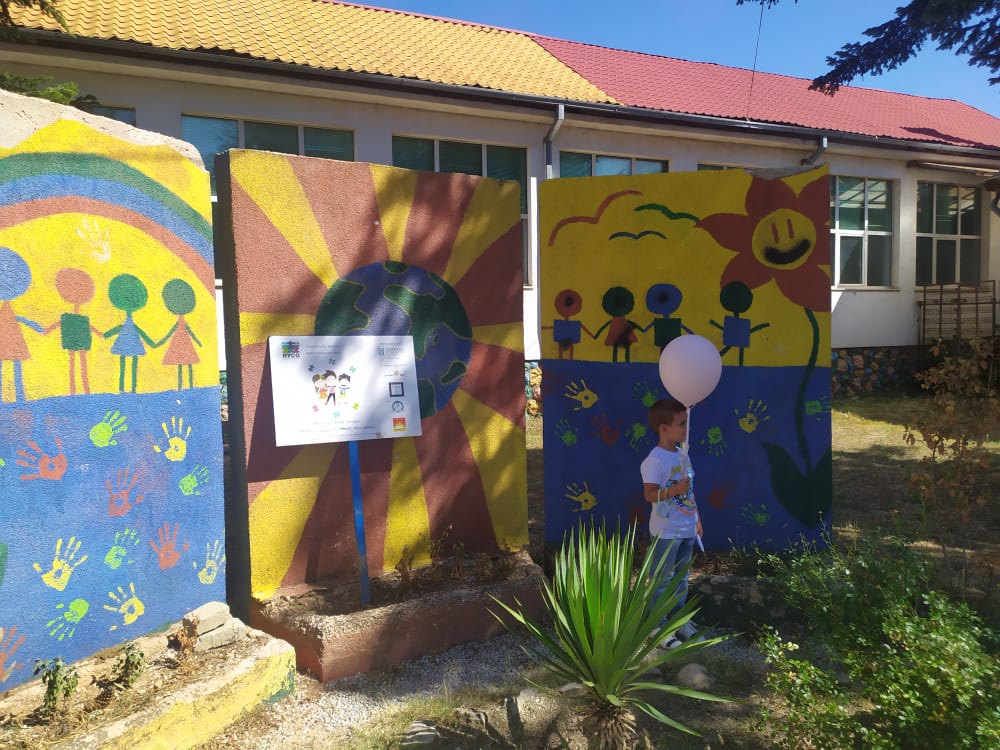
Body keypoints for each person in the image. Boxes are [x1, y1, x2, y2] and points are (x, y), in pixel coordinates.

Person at [640, 398, 703, 648]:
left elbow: (690, 491)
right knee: (662, 579)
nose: (686, 428)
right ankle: (658, 626)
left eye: (686, 423)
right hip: (666, 532)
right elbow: (649, 494)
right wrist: (674, 490)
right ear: (664, 429)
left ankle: (678, 621)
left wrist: (697, 519)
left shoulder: (682, 455)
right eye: (681, 424)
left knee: (681, 577)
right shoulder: (655, 460)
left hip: (686, 528)